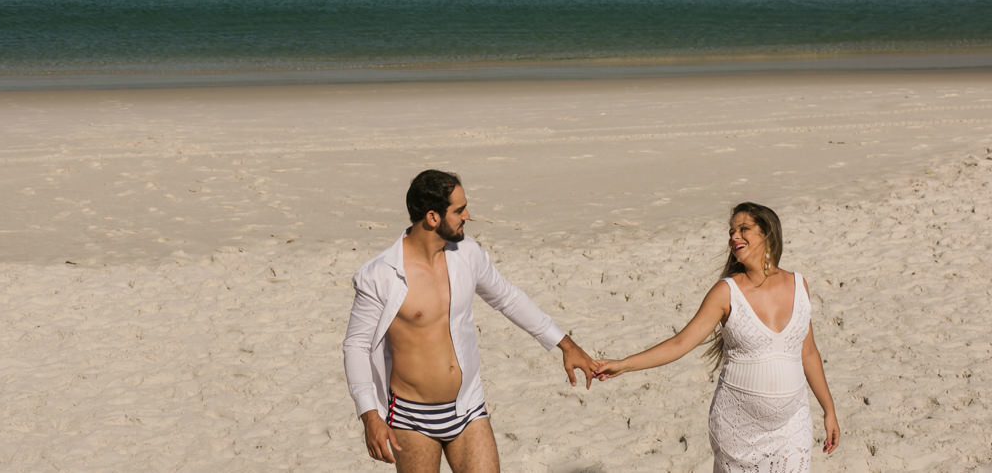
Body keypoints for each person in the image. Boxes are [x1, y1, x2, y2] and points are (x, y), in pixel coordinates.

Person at [343, 169, 598, 472]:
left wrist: (565, 344)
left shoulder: (467, 254)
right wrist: (369, 415)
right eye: (459, 210)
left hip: (468, 407)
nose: (467, 215)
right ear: (433, 217)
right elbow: (356, 345)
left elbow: (508, 298)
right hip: (412, 417)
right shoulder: (379, 275)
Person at [595, 202, 840, 470]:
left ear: (767, 233)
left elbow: (808, 353)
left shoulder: (798, 284)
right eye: (731, 231)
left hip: (792, 423)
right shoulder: (726, 292)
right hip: (739, 429)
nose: (734, 236)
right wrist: (624, 364)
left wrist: (829, 410)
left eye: (743, 228)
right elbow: (680, 343)